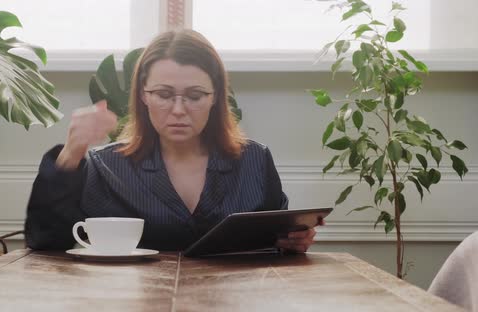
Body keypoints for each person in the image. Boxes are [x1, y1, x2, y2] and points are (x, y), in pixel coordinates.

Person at [24, 29, 321, 252]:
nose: (179, 110)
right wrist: (70, 156)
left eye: (194, 96)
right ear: (143, 95)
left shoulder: (254, 161)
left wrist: (292, 241)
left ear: (215, 96)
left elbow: (277, 242)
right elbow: (46, 242)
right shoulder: (105, 167)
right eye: (164, 95)